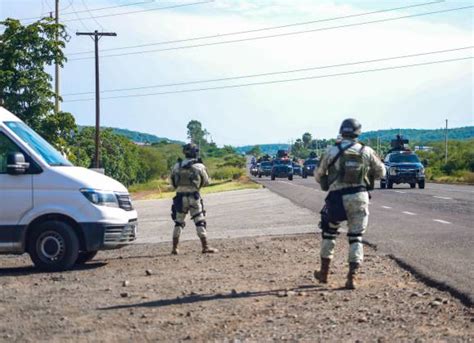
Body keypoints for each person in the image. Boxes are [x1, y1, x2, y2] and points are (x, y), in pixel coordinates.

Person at [314, 118, 385, 289]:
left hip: (337, 197)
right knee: (356, 237)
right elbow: (381, 172)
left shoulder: (331, 150)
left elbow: (318, 174)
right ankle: (352, 277)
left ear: (342, 131)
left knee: (329, 233)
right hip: (359, 197)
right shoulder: (366, 151)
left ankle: (324, 273)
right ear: (357, 132)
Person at [170, 143, 218, 255]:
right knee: (199, 221)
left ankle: (175, 248)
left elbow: (172, 184)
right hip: (194, 196)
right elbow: (206, 182)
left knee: (178, 222)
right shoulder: (200, 166)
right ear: (196, 152)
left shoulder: (177, 166)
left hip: (180, 197)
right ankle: (205, 246)